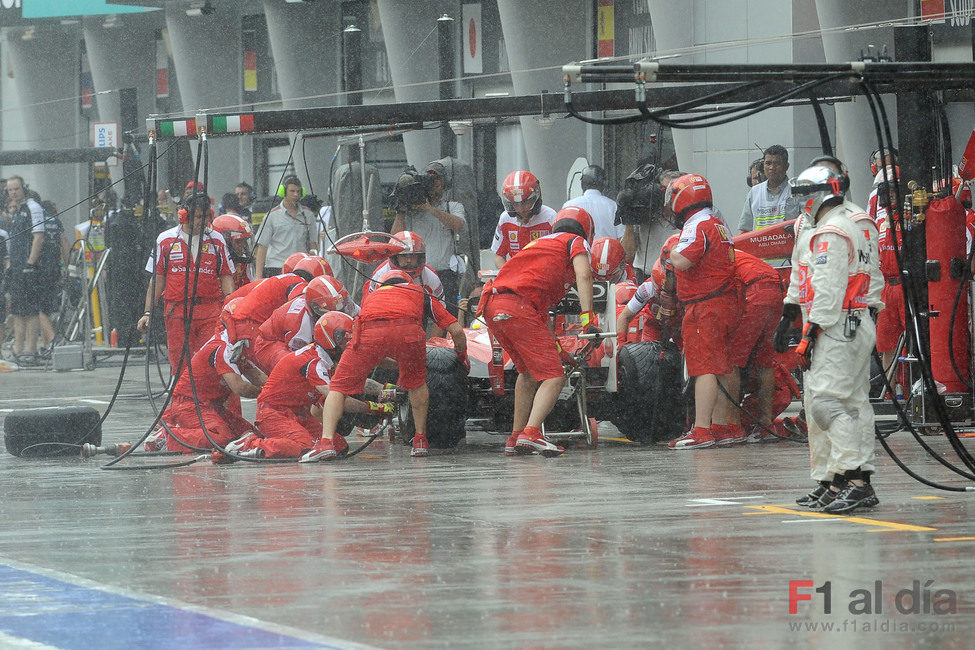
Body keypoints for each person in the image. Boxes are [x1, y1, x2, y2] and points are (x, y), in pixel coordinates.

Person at [775, 164, 881, 514]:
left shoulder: (835, 230)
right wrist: (791, 313)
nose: (801, 202)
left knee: (828, 404)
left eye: (804, 194)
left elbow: (829, 291)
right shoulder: (828, 225)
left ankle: (855, 480)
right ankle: (840, 479)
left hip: (837, 325)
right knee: (848, 404)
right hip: (846, 323)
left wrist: (809, 336)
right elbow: (805, 275)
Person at [299, 270, 467, 462]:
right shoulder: (420, 292)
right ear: (409, 283)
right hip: (409, 332)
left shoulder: (372, 296)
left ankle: (326, 443)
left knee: (338, 387)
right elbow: (457, 331)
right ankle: (420, 441)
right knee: (417, 384)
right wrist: (461, 358)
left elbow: (374, 338)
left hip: (369, 332)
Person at [478, 206, 598, 457]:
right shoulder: (575, 242)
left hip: (494, 305)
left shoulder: (540, 246)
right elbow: (584, 276)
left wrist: (559, 352)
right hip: (519, 306)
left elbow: (540, 324)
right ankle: (532, 433)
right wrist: (588, 320)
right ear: (587, 232)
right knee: (555, 377)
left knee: (528, 373)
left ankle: (515, 436)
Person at [229, 312, 394, 460]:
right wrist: (375, 407)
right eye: (345, 341)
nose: (348, 346)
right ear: (331, 341)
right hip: (274, 413)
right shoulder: (315, 363)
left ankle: (268, 442)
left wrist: (386, 391)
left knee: (339, 446)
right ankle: (249, 443)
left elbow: (352, 382)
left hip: (300, 413)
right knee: (304, 447)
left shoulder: (324, 359)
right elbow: (336, 398)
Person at [662, 174, 742, 450]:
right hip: (725, 302)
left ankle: (702, 429)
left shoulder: (697, 226)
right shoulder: (718, 223)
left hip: (705, 305)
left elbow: (682, 260)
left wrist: (671, 248)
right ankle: (723, 426)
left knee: (704, 367)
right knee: (723, 366)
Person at [137, 193, 235, 375]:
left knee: (212, 360)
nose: (203, 221)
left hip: (210, 311)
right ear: (184, 215)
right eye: (198, 217)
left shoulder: (216, 240)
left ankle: (207, 402)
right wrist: (148, 312)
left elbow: (226, 276)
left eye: (206, 216)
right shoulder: (165, 240)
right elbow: (157, 280)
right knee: (180, 364)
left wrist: (231, 308)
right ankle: (182, 402)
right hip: (177, 312)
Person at [144, 326, 266, 453]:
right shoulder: (224, 349)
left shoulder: (237, 347)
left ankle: (175, 426)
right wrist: (267, 392)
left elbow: (258, 377)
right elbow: (240, 387)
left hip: (212, 406)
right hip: (190, 404)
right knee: (220, 438)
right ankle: (167, 437)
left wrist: (274, 388)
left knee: (249, 434)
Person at [391, 162, 466, 316]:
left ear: (445, 182)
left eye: (437, 178)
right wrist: (401, 209)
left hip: (444, 273)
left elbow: (459, 225)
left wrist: (429, 209)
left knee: (446, 316)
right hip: (417, 273)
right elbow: (395, 240)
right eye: (430, 179)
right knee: (416, 316)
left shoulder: (452, 206)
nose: (434, 183)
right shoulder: (412, 210)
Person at [726, 250, 784, 443]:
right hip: (776, 287)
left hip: (754, 290)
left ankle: (733, 426)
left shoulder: (707, 254)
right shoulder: (733, 251)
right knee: (764, 360)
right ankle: (766, 423)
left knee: (730, 361)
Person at [250, 274, 359, 374]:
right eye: (333, 312)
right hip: (269, 344)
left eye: (342, 308)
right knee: (304, 368)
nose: (341, 314)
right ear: (315, 311)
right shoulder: (300, 326)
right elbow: (298, 358)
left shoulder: (344, 304)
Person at [5, 176, 47, 364]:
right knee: (17, 311)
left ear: (24, 188)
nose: (13, 193)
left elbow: (39, 236)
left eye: (16, 189)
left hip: (28, 268)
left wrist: (30, 263)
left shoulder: (33, 207)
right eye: (10, 190)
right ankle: (18, 349)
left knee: (30, 311)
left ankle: (30, 350)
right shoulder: (16, 211)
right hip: (15, 268)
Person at [253, 175, 318, 280]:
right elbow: (262, 247)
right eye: (292, 191)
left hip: (300, 267)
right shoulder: (271, 216)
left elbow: (313, 244)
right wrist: (258, 276)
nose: (296, 194)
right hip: (276, 267)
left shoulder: (308, 215)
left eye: (298, 191)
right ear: (283, 192)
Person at [491, 170, 557, 268]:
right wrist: (508, 275)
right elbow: (499, 255)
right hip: (517, 277)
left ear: (535, 198)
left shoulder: (550, 217)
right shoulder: (505, 219)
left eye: (526, 202)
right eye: (515, 204)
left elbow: (559, 255)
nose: (521, 209)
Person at [738, 144, 800, 235]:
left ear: (786, 166)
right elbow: (745, 231)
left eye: (777, 163)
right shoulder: (754, 192)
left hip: (788, 248)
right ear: (763, 166)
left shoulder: (797, 191)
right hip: (759, 248)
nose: (771, 168)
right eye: (768, 163)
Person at [562, 164, 623, 242]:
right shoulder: (613, 206)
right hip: (608, 252)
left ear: (583, 182)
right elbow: (622, 238)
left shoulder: (569, 206)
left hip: (578, 252)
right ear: (603, 183)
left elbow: (563, 237)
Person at [211, 213, 254, 291]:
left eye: (245, 241)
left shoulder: (242, 264)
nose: (243, 245)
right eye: (239, 241)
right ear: (225, 241)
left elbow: (249, 289)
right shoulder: (211, 265)